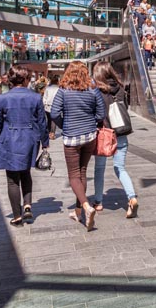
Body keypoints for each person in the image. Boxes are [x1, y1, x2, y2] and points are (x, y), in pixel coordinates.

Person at [50, 61, 106, 231]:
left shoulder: (64, 90)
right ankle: (78, 211)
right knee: (82, 172)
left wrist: (64, 125)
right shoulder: (93, 89)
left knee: (74, 175)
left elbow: (54, 113)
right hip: (90, 136)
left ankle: (86, 207)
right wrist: (91, 122)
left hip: (71, 138)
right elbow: (101, 113)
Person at [0, 66, 49, 227]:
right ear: (25, 79)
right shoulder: (36, 97)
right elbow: (42, 122)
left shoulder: (3, 98)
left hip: (9, 137)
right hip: (30, 138)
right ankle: (28, 205)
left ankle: (17, 215)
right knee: (26, 172)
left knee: (12, 179)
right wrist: (45, 142)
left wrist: (0, 137)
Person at [92, 62, 139, 218]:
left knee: (99, 169)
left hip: (104, 134)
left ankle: (98, 202)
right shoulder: (121, 89)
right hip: (121, 133)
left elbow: (97, 115)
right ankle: (132, 197)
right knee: (120, 167)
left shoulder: (97, 92)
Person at [42, 75, 60, 140]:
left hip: (47, 106)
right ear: (57, 81)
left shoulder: (47, 88)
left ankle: (48, 133)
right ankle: (52, 134)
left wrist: (44, 104)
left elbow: (44, 98)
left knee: (49, 120)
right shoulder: (59, 89)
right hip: (55, 105)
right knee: (54, 120)